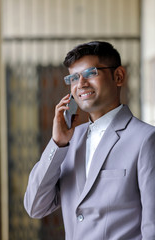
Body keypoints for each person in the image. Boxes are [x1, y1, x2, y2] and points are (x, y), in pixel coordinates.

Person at [24, 41, 155, 240]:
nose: (81, 84)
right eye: (74, 78)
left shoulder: (146, 139)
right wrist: (57, 144)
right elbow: (35, 207)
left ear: (118, 76)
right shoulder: (70, 142)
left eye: (91, 73)